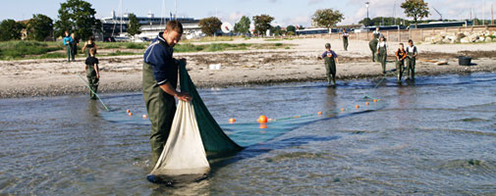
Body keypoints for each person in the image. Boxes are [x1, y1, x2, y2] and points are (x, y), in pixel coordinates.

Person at [143, 20, 192, 165]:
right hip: (157, 95)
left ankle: (169, 158)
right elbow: (161, 80)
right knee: (159, 130)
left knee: (171, 126)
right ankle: (158, 165)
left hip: (167, 94)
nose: (175, 41)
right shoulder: (158, 49)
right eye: (173, 38)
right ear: (166, 32)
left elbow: (166, 64)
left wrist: (176, 62)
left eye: (178, 39)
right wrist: (178, 94)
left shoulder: (166, 46)